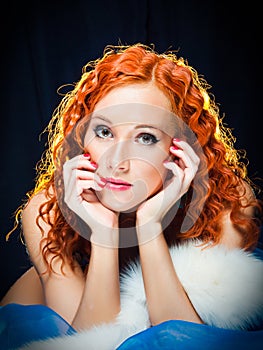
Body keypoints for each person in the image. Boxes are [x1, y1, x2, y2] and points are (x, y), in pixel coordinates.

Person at [1, 43, 263, 350]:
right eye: (104, 132)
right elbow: (89, 343)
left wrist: (149, 226)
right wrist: (103, 232)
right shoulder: (47, 208)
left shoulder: (227, 200)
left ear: (180, 149)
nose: (116, 160)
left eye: (146, 137)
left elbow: (188, 341)